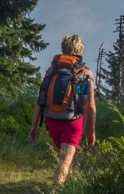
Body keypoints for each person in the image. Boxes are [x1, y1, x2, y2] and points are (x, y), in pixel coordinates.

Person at [29, 33, 96, 184]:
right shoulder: (85, 74)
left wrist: (34, 126)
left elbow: (40, 100)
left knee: (64, 158)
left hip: (51, 120)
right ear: (80, 50)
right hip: (73, 124)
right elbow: (90, 105)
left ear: (63, 48)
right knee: (64, 162)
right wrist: (92, 131)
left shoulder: (51, 71)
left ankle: (68, 186)